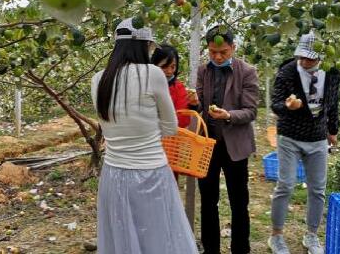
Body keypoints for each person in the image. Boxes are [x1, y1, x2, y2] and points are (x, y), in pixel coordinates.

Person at [91, 18, 198, 254]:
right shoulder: (152, 74)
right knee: (159, 240)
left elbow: (107, 125)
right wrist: (146, 132)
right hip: (151, 174)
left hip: (113, 174)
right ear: (143, 45)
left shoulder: (99, 79)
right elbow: (170, 127)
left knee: (122, 239)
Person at [188, 25, 260, 254]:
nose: (218, 57)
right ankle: (211, 249)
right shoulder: (204, 71)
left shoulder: (246, 71)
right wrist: (194, 102)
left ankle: (241, 248)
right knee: (208, 201)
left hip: (235, 146)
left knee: (239, 202)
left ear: (233, 48)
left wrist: (229, 115)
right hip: (209, 144)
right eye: (212, 52)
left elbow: (250, 111)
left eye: (223, 52)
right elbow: (201, 105)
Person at [267, 32, 340, 254]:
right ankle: (276, 236)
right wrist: (288, 106)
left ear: (320, 57)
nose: (305, 61)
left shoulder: (331, 72)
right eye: (302, 57)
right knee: (286, 185)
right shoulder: (288, 72)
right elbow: (275, 104)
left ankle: (311, 236)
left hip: (317, 138)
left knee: (318, 189)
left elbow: (333, 103)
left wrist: (333, 130)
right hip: (290, 136)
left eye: (310, 58)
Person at [151, 44, 194, 128]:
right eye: (164, 67)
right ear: (154, 65)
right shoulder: (143, 85)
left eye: (173, 67)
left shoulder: (178, 87)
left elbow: (183, 119)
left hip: (171, 138)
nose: (169, 71)